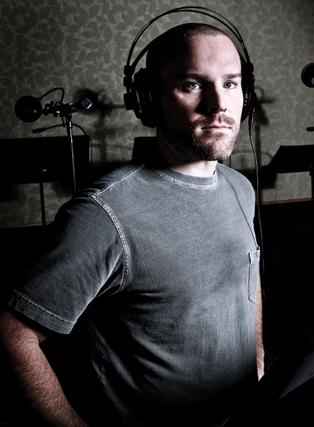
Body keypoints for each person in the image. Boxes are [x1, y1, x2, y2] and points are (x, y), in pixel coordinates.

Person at [0, 22, 264, 427]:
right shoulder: (103, 214)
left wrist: (258, 359)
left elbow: (248, 279)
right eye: (192, 85)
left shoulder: (240, 188)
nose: (218, 105)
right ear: (148, 100)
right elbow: (14, 332)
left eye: (230, 84)